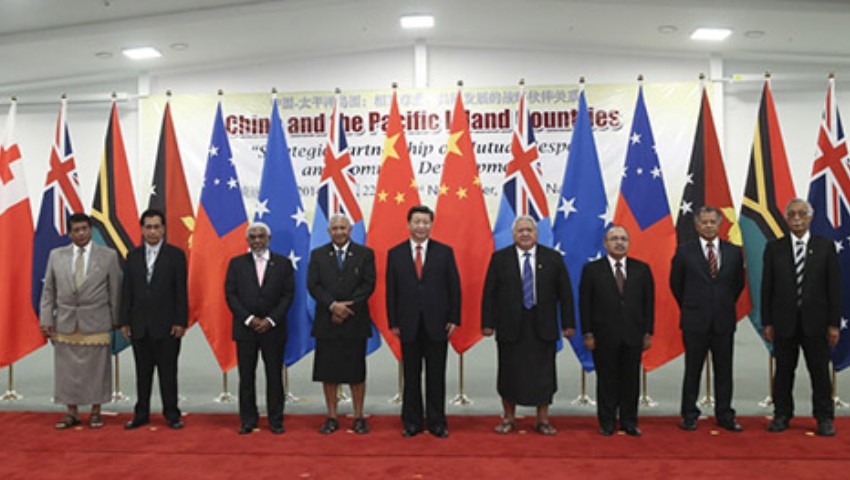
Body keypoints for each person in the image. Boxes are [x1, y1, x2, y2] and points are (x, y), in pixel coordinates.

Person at [482, 216, 575, 436]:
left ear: (536, 233)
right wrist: (487, 323)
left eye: (529, 230)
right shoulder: (500, 259)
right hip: (510, 326)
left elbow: (566, 294)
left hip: (543, 325)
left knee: (544, 373)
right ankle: (508, 418)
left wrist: (569, 324)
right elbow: (489, 294)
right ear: (513, 235)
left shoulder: (552, 258)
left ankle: (542, 420)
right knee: (509, 372)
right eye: (520, 230)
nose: (525, 234)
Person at [762, 198, 841, 436]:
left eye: (802, 214)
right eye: (792, 214)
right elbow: (767, 288)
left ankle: (824, 417)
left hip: (816, 324)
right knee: (784, 371)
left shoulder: (825, 247)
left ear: (810, 217)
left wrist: (834, 324)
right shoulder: (774, 248)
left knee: (819, 372)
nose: (797, 218)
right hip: (783, 323)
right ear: (786, 218)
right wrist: (767, 321)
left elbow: (834, 289)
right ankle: (782, 415)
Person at [39, 213, 122, 429]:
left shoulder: (108, 256)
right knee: (67, 370)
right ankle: (71, 412)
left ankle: (96, 411)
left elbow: (115, 291)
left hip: (97, 321)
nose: (81, 233)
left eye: (85, 229)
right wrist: (46, 319)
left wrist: (117, 320)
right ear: (70, 233)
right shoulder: (56, 256)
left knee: (97, 369)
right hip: (65, 322)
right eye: (76, 230)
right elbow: (48, 291)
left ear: (91, 230)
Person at [386, 205, 461, 438]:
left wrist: (454, 318)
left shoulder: (444, 252)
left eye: (425, 222)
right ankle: (412, 422)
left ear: (431, 224)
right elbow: (391, 291)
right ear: (408, 224)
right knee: (411, 376)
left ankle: (437, 422)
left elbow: (454, 288)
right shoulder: (395, 253)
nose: (421, 227)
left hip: (437, 324)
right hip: (407, 324)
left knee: (436, 376)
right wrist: (394, 321)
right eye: (416, 222)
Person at [670, 206, 745, 433]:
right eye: (705, 222)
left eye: (713, 221)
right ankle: (689, 414)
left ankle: (725, 414)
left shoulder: (733, 252)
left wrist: (720, 302)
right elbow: (676, 285)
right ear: (697, 225)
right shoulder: (684, 252)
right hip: (695, 320)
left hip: (723, 320)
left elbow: (738, 285)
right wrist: (694, 304)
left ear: (720, 223)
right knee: (693, 369)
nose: (709, 225)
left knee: (724, 370)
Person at [580, 225, 654, 437]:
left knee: (631, 380)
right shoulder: (592, 270)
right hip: (603, 336)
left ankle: (629, 421)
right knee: (606, 380)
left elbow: (649, 303)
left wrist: (648, 332)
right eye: (614, 239)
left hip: (633, 334)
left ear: (628, 243)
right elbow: (585, 303)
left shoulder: (642, 269)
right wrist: (588, 333)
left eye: (623, 239)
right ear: (605, 244)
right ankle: (607, 422)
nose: (619, 242)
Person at [308, 214, 376, 435]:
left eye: (343, 228)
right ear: (329, 231)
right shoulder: (318, 255)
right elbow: (313, 286)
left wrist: (347, 308)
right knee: (329, 372)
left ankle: (358, 416)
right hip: (327, 321)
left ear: (350, 230)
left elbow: (368, 285)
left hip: (354, 320)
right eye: (335, 228)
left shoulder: (365, 254)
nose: (339, 232)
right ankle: (331, 416)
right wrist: (332, 306)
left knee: (356, 372)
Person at [121, 209, 188, 430]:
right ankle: (141, 414)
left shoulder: (176, 255)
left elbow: (181, 291)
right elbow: (127, 291)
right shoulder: (133, 256)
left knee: (168, 373)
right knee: (143, 373)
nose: (152, 231)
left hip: (168, 326)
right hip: (139, 326)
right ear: (141, 229)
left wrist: (180, 321)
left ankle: (172, 414)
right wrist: (125, 321)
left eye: (156, 226)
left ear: (164, 229)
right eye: (148, 227)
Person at [225, 222, 294, 435]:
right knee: (247, 376)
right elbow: (231, 294)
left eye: (261, 236)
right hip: (245, 330)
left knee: (274, 375)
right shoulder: (236, 264)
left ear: (268, 238)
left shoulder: (283, 264)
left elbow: (288, 295)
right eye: (253, 237)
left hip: (273, 329)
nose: (257, 240)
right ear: (247, 240)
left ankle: (275, 419)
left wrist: (271, 320)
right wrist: (249, 319)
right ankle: (248, 419)